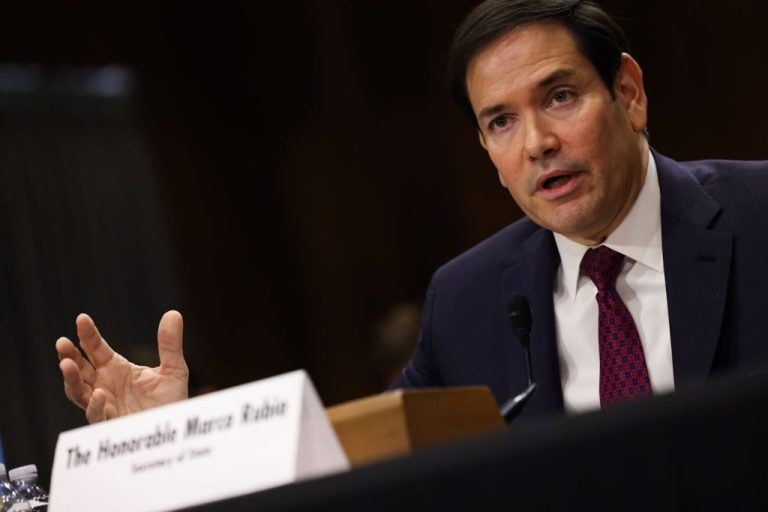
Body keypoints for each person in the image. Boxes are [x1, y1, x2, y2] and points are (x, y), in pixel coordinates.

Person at [57, 0, 768, 423]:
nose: (538, 144)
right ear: (486, 149)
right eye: (500, 123)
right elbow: (363, 466)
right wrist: (176, 439)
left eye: (559, 96)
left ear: (630, 93)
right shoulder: (468, 299)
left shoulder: (755, 214)